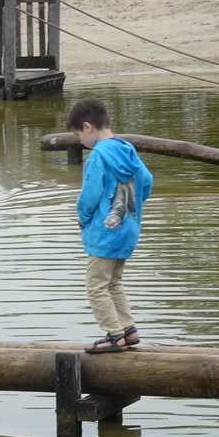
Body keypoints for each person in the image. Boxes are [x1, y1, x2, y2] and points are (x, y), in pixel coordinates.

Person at [67, 98, 153, 353]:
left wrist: (82, 219)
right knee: (113, 282)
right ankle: (128, 329)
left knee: (96, 285)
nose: (80, 141)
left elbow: (89, 196)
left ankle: (114, 336)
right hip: (129, 230)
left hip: (105, 232)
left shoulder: (98, 156)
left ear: (87, 126)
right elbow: (146, 181)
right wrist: (133, 204)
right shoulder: (127, 149)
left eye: (77, 134)